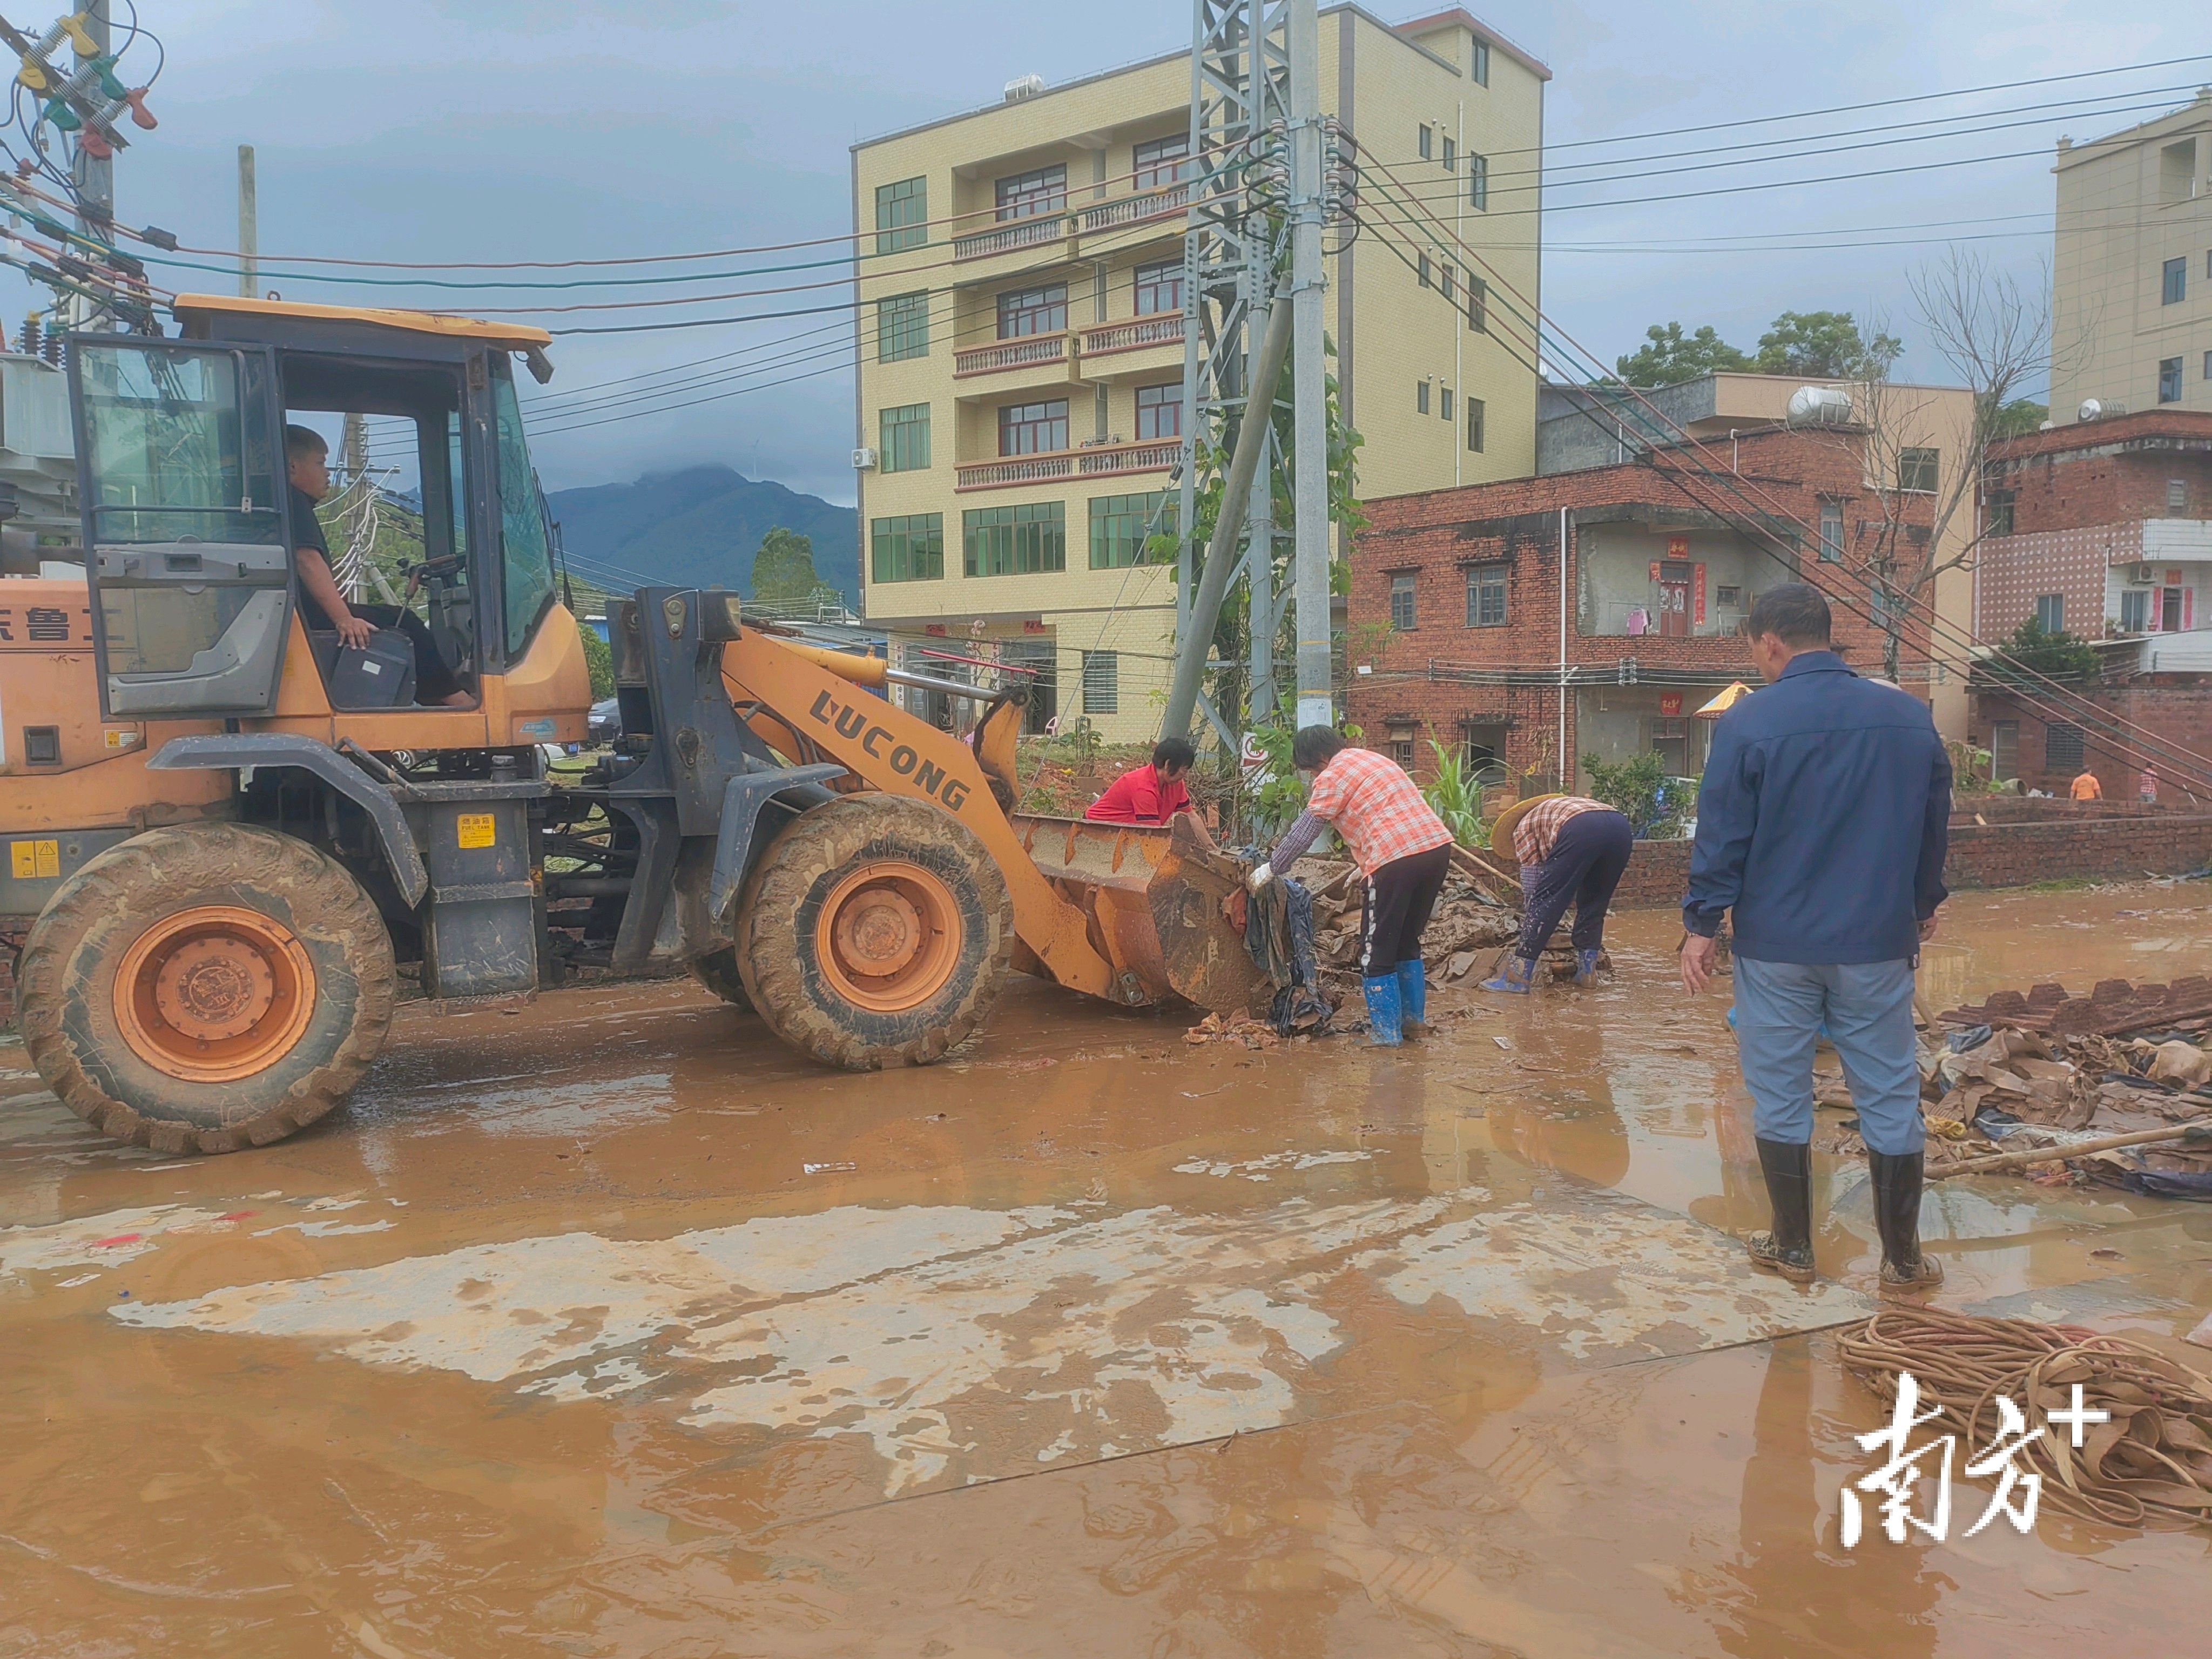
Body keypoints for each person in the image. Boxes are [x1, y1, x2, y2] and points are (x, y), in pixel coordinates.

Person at [1680, 584, 1952, 1296]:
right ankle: (1904, 1263)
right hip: (1875, 943)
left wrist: (1701, 927)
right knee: (1890, 1097)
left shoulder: (1749, 723)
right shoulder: (1907, 718)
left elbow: (1723, 834)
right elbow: (1932, 825)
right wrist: (1923, 904)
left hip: (1776, 947)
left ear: (1769, 642)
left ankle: (1794, 1248)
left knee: (1780, 1097)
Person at [1249, 726, 1454, 1046]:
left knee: (1375, 952)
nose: (1313, 777)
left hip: (1394, 858)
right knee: (1406, 941)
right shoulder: (1375, 760)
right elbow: (1387, 812)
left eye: (1311, 769)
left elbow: (1305, 831)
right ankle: (1414, 1023)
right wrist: (1365, 866)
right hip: (1436, 849)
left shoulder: (1332, 775)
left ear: (1320, 758)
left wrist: (1272, 868)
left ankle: (1386, 1036)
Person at [286, 424, 470, 708]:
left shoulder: (285, 503)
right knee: (403, 622)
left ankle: (434, 696)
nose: (327, 472)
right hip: (309, 618)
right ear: (292, 467)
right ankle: (453, 699)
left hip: (297, 615)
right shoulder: (292, 501)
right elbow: (307, 561)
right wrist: (344, 619)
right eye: (320, 463)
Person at [1480, 793, 1634, 993]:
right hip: (1620, 828)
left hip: (1581, 828)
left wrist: (1534, 919)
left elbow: (1532, 884)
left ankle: (1516, 979)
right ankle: (1587, 974)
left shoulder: (1523, 827)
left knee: (1545, 901)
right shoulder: (1554, 811)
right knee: (1594, 903)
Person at [1085, 737, 1212, 845]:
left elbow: (1191, 816)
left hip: (1125, 833)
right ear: (1168, 765)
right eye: (1184, 770)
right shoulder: (1142, 787)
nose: (1185, 775)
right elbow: (1154, 835)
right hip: (1096, 830)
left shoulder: (1176, 784)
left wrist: (1213, 850)